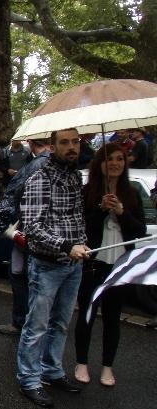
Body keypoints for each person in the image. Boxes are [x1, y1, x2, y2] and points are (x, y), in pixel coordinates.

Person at [17, 127, 90, 408]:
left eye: (75, 142)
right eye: (65, 142)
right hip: (47, 266)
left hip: (74, 265)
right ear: (52, 145)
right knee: (36, 326)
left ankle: (52, 371)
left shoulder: (73, 175)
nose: (71, 147)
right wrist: (65, 245)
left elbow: (74, 218)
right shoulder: (40, 178)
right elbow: (33, 227)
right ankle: (29, 379)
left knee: (60, 323)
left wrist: (81, 243)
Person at [74, 144, 145, 387]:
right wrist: (102, 210)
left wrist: (122, 212)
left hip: (120, 265)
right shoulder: (87, 192)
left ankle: (107, 367)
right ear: (99, 164)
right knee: (87, 314)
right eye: (109, 159)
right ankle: (81, 363)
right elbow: (82, 228)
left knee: (113, 318)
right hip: (94, 264)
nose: (114, 163)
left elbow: (140, 231)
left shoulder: (132, 193)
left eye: (119, 159)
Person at [0, 139, 52, 336]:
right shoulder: (62, 165)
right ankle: (40, 322)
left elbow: (15, 193)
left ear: (33, 143)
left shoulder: (34, 165)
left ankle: (21, 322)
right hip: (50, 233)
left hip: (28, 229)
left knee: (19, 274)